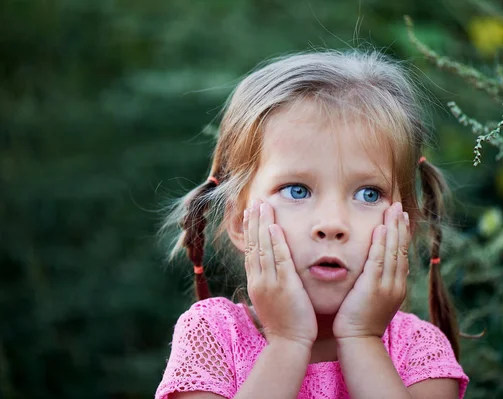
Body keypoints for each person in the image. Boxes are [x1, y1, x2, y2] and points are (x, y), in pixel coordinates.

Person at [155, 50, 469, 399]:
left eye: (368, 194)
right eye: (297, 190)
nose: (332, 224)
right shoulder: (212, 336)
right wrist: (288, 341)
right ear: (239, 221)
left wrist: (361, 338)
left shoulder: (419, 353)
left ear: (405, 224)